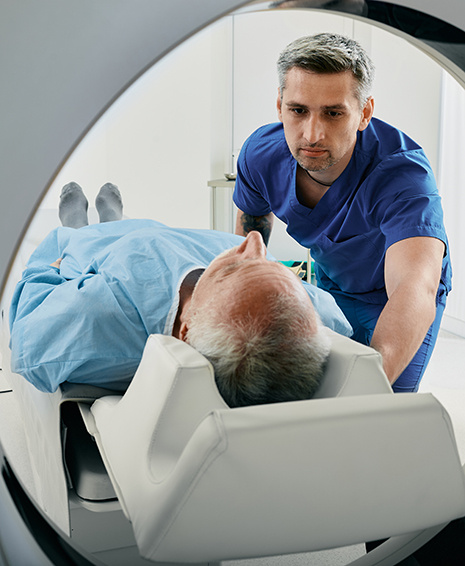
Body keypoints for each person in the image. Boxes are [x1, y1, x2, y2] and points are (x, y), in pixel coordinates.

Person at [233, 32, 451, 393]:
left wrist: (366, 390)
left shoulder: (403, 176)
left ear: (364, 113)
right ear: (279, 106)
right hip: (334, 283)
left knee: (376, 402)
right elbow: (250, 231)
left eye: (333, 113)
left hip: (395, 297)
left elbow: (414, 286)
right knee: (307, 386)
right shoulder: (261, 154)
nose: (312, 134)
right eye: (298, 110)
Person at [9, 182, 352, 408]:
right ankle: (114, 216)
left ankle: (76, 223)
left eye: (233, 270)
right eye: (269, 265)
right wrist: (248, 270)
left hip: (103, 254)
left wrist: (48, 269)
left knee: (80, 237)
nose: (255, 241)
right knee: (131, 223)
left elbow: (28, 337)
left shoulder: (103, 318)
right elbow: (338, 322)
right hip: (172, 237)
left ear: (185, 331)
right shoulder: (317, 315)